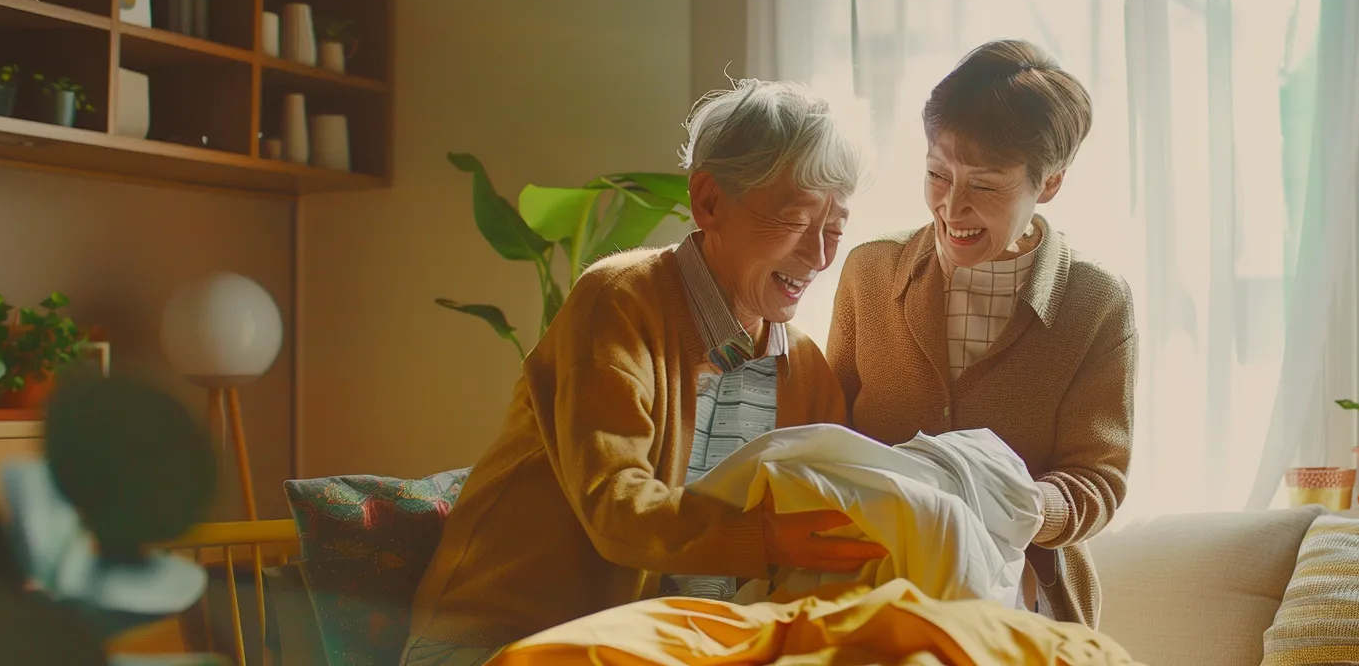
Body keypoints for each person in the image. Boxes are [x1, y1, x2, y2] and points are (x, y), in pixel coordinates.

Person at [403, 79, 885, 666]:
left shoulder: (806, 370)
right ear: (708, 202)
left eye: (834, 230)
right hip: (503, 639)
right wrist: (763, 538)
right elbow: (617, 507)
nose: (819, 257)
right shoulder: (618, 302)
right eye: (795, 221)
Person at [826, 39, 1136, 629]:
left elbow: (1099, 477)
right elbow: (827, 426)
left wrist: (1014, 505)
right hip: (869, 597)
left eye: (986, 186)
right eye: (937, 175)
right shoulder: (870, 272)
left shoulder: (1096, 302)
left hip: (1023, 607)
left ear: (1049, 184)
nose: (952, 207)